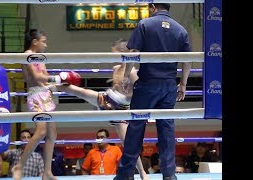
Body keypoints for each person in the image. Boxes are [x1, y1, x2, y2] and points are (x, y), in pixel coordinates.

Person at [114, 3, 192, 180]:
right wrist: (183, 85)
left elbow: (133, 51)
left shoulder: (145, 24)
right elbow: (188, 60)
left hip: (147, 84)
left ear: (153, 7)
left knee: (135, 129)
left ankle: (126, 175)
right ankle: (169, 175)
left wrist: (126, 76)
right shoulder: (181, 30)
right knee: (166, 131)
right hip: (168, 86)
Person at [56, 38, 149, 180]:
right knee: (78, 91)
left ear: (123, 52)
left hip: (121, 109)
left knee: (129, 144)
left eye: (114, 53)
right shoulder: (116, 69)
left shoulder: (132, 71)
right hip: (107, 100)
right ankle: (51, 84)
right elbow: (115, 89)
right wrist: (99, 105)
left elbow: (141, 92)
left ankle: (143, 173)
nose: (112, 57)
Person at [11, 29, 81, 180]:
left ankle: (47, 172)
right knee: (41, 132)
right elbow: (36, 78)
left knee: (52, 135)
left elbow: (44, 78)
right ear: (34, 41)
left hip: (46, 95)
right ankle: (19, 165)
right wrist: (58, 78)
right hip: (36, 95)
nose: (46, 44)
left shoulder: (40, 58)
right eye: (43, 41)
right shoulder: (27, 55)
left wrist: (61, 82)